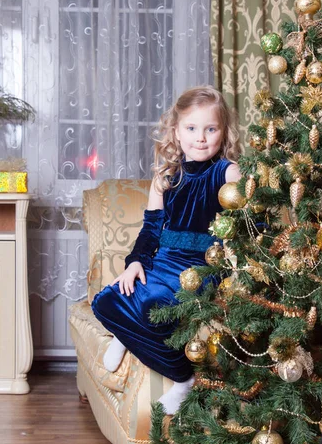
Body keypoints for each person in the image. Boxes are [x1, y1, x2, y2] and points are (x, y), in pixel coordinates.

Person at [91, 85, 241, 414]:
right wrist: (135, 263)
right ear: (176, 131)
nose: (200, 138)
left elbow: (244, 227)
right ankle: (127, 334)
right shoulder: (165, 177)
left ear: (223, 131)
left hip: (198, 270)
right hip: (161, 263)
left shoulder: (227, 173)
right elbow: (150, 230)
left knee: (157, 307)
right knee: (104, 302)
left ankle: (183, 378)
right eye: (191, 128)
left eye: (210, 129)